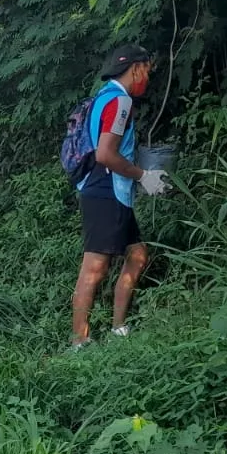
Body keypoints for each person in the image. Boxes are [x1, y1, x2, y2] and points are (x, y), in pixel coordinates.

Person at [71, 44, 167, 347]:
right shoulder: (120, 101)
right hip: (105, 190)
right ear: (137, 68)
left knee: (137, 255)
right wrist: (143, 176)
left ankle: (118, 329)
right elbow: (105, 154)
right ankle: (78, 343)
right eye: (147, 72)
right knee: (94, 269)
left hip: (113, 192)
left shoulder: (102, 97)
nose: (147, 79)